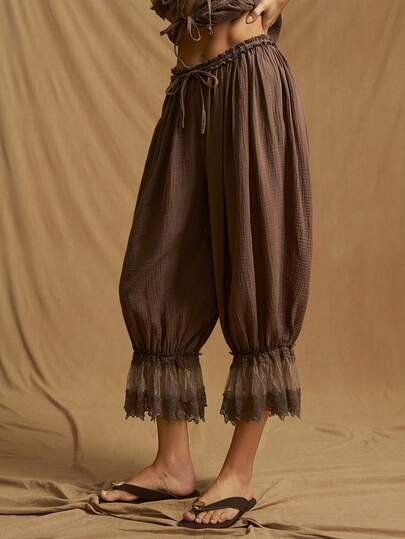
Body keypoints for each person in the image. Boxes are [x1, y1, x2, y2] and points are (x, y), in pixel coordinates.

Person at [100, 0, 312, 530]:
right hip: (188, 89)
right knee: (155, 273)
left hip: (250, 81)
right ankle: (172, 465)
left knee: (257, 269)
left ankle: (239, 473)